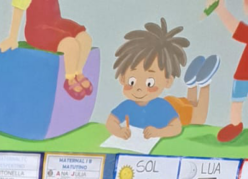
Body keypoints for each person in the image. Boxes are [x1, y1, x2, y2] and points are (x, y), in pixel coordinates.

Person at [106, 19, 219, 142]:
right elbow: (111, 121)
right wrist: (119, 131)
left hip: (179, 110)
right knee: (190, 103)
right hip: (174, 102)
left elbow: (176, 128)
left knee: (198, 117)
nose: (139, 88)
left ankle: (204, 84)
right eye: (132, 82)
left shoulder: (162, 106)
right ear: (123, 78)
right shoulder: (127, 106)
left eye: (149, 83)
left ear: (167, 81)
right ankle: (191, 84)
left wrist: (158, 132)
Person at [0, 0, 94, 100]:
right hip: (37, 29)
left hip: (56, 22)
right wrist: (12, 37)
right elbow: (19, 6)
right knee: (70, 45)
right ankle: (69, 79)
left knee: (85, 39)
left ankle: (78, 72)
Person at [213, 0, 248, 142]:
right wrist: (220, 9)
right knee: (237, 99)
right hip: (243, 74)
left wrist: (221, 10)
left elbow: (235, 27)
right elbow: (236, 28)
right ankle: (235, 125)